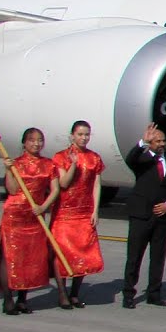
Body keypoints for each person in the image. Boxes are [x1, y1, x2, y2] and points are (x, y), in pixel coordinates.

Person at [0, 128, 64, 313]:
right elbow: (11, 190)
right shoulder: (15, 164)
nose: (36, 143)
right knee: (10, 257)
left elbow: (55, 190)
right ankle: (7, 299)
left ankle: (22, 299)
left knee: (30, 257)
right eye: (32, 140)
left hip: (35, 214)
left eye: (40, 140)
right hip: (15, 214)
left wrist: (44, 207)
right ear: (24, 143)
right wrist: (8, 171)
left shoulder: (48, 164)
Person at [121, 123, 166, 308]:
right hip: (141, 215)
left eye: (163, 140)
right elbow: (131, 159)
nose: (162, 144)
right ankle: (129, 294)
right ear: (151, 142)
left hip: (162, 218)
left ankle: (154, 293)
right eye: (158, 141)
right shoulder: (142, 160)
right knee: (134, 257)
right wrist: (142, 142)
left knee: (158, 257)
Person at [50, 120, 104, 308]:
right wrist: (73, 164)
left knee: (84, 253)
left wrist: (95, 210)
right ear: (72, 135)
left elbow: (96, 185)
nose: (84, 138)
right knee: (62, 254)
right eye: (80, 134)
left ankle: (75, 293)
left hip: (84, 211)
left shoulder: (94, 158)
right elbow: (63, 183)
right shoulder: (60, 156)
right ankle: (62, 293)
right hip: (64, 212)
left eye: (87, 134)